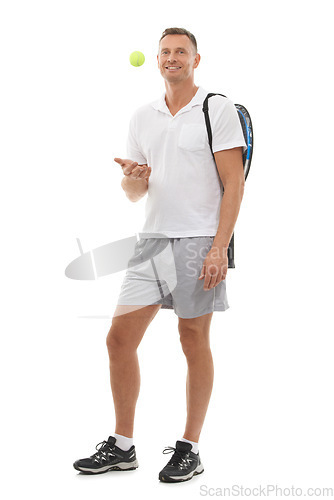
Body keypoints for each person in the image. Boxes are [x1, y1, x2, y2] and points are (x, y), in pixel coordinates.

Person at [73, 27, 247, 483]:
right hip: (151, 240)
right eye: (165, 52)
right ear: (156, 60)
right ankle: (124, 445)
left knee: (193, 341)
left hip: (199, 241)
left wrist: (218, 248)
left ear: (196, 59)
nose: (173, 58)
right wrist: (135, 175)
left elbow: (235, 184)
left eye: (181, 52)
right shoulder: (142, 116)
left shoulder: (216, 108)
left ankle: (190, 447)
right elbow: (133, 193)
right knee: (118, 339)